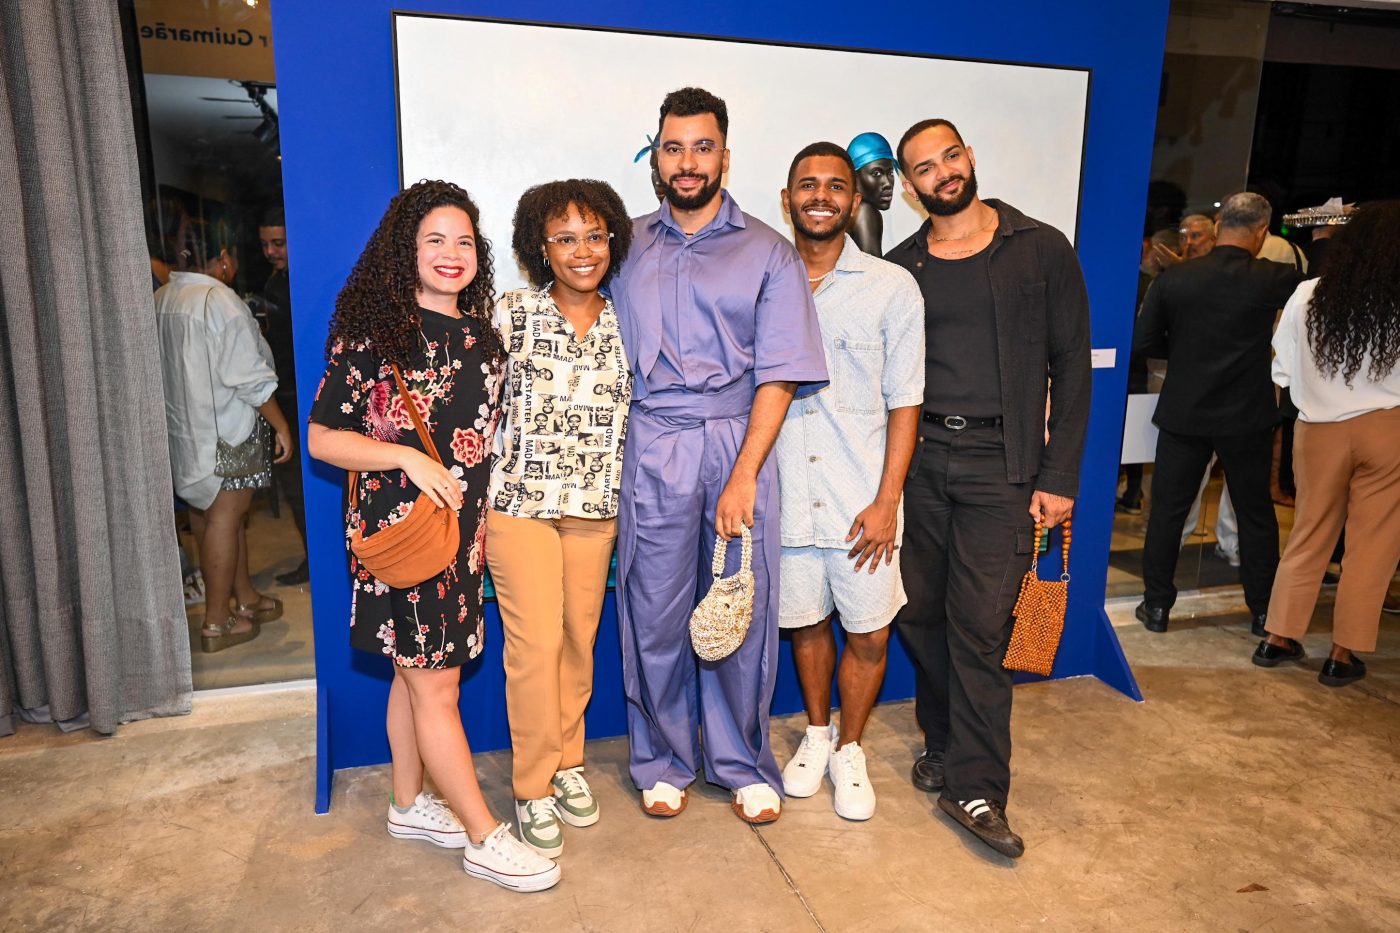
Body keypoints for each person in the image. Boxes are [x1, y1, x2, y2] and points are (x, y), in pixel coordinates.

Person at [305, 180, 559, 892]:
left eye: (464, 241)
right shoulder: (373, 337)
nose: (452, 254)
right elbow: (324, 438)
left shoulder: (486, 341)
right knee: (437, 688)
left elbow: (484, 444)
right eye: (434, 240)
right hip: (399, 540)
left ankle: (409, 802)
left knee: (410, 677)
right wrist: (407, 456)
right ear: (405, 250)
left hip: (460, 543)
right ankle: (484, 834)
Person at [609, 87, 828, 825]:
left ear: (725, 155)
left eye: (703, 147)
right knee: (654, 611)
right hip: (653, 444)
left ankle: (739, 762)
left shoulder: (768, 250)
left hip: (739, 443)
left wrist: (743, 476)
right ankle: (663, 759)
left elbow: (781, 371)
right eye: (673, 147)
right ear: (656, 157)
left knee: (739, 609)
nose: (688, 161)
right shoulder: (625, 244)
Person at [886, 118, 1091, 858]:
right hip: (917, 460)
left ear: (969, 158)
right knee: (921, 613)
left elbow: (1072, 369)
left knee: (980, 626)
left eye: (950, 156)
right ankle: (942, 738)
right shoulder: (902, 265)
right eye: (925, 168)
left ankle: (974, 785)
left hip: (1004, 465)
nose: (942, 173)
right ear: (910, 187)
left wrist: (1059, 475)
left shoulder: (1038, 249)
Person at [775, 142, 923, 820]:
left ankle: (851, 746)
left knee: (867, 632)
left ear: (853, 201)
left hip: (862, 499)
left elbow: (906, 400)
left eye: (836, 186)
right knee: (805, 624)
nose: (822, 196)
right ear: (787, 199)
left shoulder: (892, 287)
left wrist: (887, 499)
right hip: (785, 499)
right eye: (808, 185)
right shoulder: (763, 282)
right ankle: (814, 732)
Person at [486, 179, 633, 857]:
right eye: (565, 237)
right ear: (539, 248)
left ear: (612, 241)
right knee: (536, 644)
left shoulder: (628, 316)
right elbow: (474, 407)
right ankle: (532, 784)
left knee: (580, 637)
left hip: (595, 508)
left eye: (594, 235)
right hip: (520, 506)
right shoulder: (510, 312)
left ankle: (569, 760)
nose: (582, 250)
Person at [1133, 192, 1304, 636]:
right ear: (1262, 232)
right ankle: (1264, 611)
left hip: (1185, 410)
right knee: (1255, 514)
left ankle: (1156, 607)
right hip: (1245, 414)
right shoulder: (1275, 278)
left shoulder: (1178, 279)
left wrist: (1186, 352)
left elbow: (1145, 342)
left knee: (1169, 511)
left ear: (1220, 222)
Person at [1252, 201, 1400, 687]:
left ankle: (1278, 638)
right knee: (1372, 544)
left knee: (1309, 532)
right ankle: (1341, 654)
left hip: (1318, 428)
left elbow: (1282, 367)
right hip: (1388, 427)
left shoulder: (1309, 294)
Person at [155, 238, 292, 653]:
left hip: (186, 430)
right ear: (224, 258)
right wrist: (281, 426)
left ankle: (245, 596)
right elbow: (248, 376)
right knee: (226, 518)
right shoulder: (220, 300)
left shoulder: (164, 297)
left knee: (209, 517)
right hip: (228, 429)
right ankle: (217, 621)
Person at [258, 209, 310, 586]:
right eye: (265, 244)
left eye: (278, 243)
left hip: (302, 392)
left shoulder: (302, 283)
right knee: (294, 487)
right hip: (285, 393)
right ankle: (312, 560)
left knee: (301, 485)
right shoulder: (275, 283)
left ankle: (317, 561)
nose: (271, 251)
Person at [846, 132, 899, 255]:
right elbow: (873, 273)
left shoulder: (850, 212)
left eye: (890, 173)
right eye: (876, 173)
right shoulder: (864, 211)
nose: (887, 183)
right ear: (854, 177)